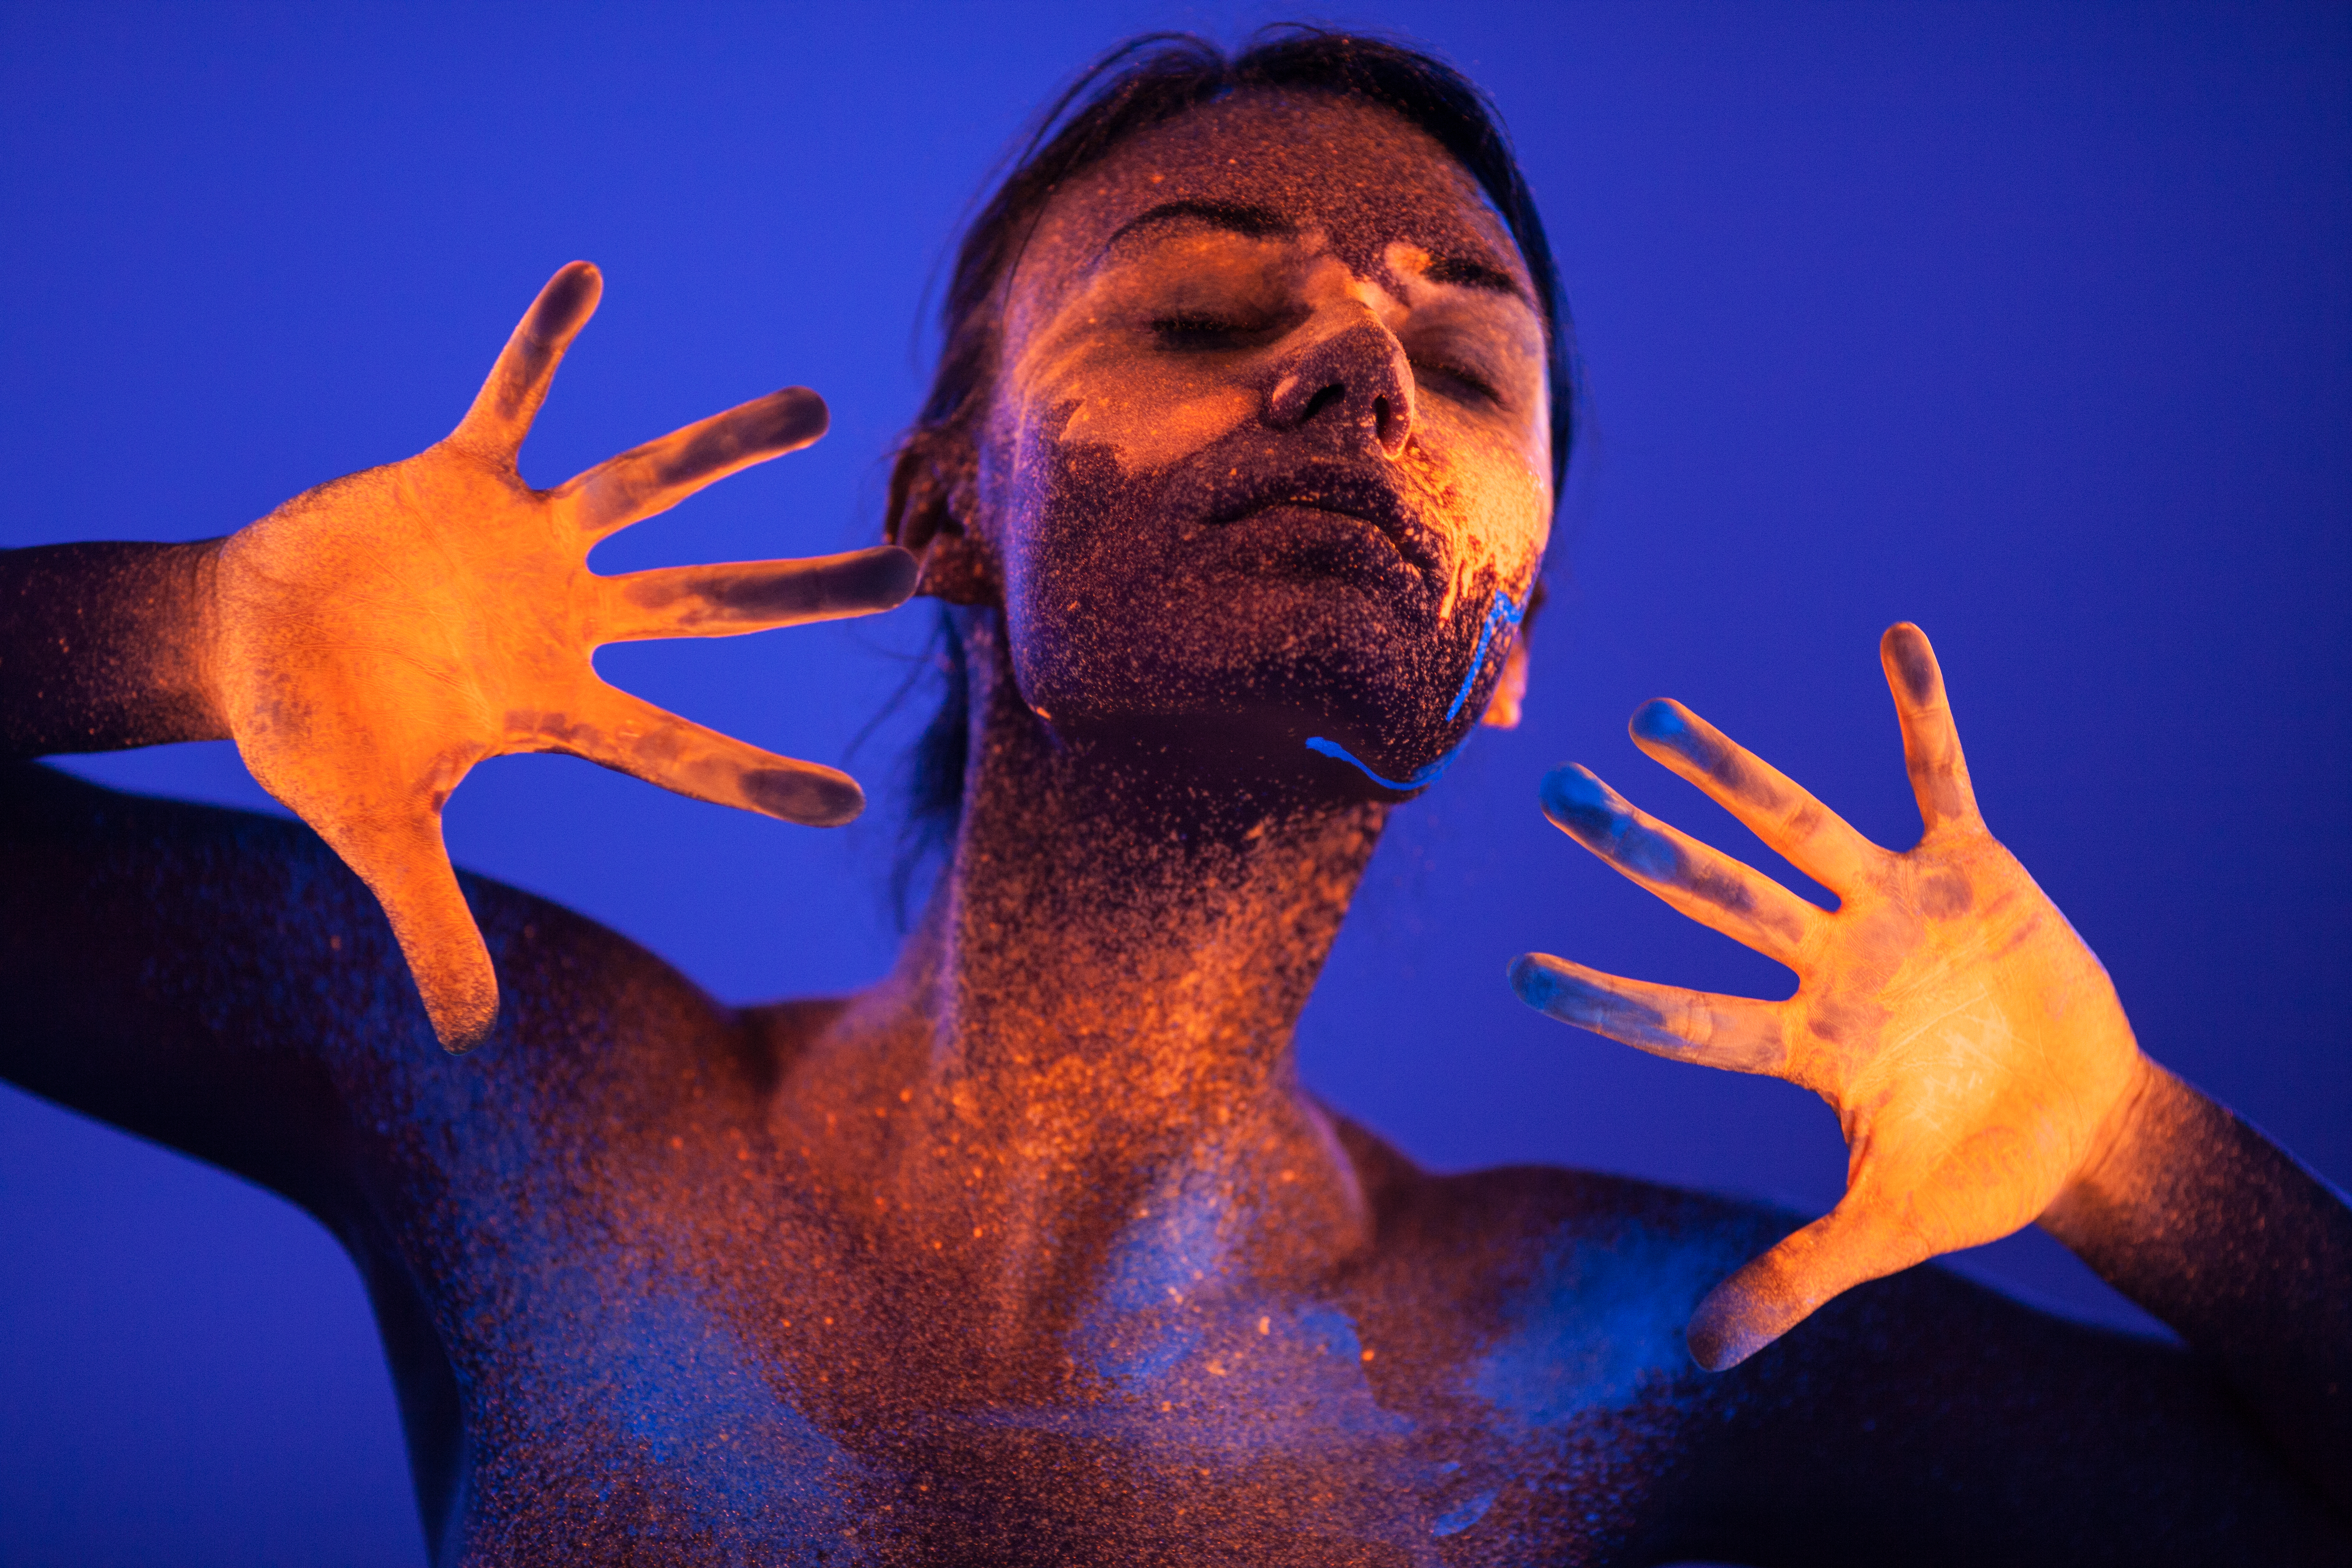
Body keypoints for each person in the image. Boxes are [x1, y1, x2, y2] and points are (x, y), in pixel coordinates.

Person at [1, 28, 2344, 1567]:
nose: (1356, 378)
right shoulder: (540, 1120)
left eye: (1466, 366)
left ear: (1507, 646)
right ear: (945, 514)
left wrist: (2147, 1156)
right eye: (1211, 321)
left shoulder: (1602, 1352)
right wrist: (189, 631)